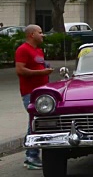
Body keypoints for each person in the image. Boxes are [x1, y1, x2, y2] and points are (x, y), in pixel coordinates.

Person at [15, 25, 53, 170]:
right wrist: (42, 73)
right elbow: (20, 70)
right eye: (40, 32)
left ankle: (33, 155)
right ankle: (31, 156)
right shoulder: (23, 50)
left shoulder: (38, 50)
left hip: (42, 93)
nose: (43, 35)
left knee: (36, 122)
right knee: (36, 122)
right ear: (31, 34)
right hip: (30, 93)